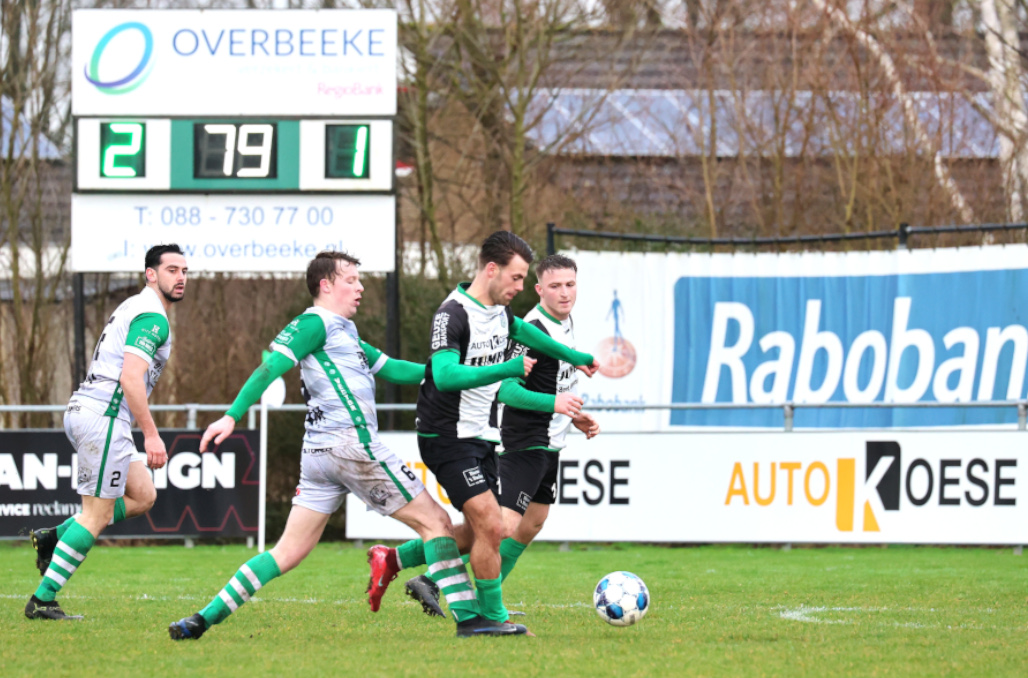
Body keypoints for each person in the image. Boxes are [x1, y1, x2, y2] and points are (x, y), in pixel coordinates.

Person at [168, 251, 520, 640]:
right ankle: (472, 620)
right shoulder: (314, 322)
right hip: (351, 446)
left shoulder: (343, 332)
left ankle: (202, 618)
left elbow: (394, 369)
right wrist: (232, 415)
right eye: (351, 279)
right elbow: (270, 366)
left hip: (319, 456)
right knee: (434, 523)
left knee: (286, 553)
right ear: (326, 285)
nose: (360, 287)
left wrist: (447, 370)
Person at [366, 232, 598, 632]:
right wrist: (508, 372)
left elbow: (529, 336)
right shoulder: (452, 313)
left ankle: (401, 564)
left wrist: (576, 359)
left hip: (482, 436)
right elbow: (445, 374)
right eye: (518, 278)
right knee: (494, 526)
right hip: (449, 435)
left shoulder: (501, 314)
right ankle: (485, 615)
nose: (520, 288)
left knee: (496, 527)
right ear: (492, 270)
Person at [25, 244, 187, 620]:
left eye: (184, 271)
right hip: (105, 416)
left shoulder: (132, 306)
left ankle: (52, 536)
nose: (180, 277)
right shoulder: (153, 317)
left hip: (91, 409)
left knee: (143, 494)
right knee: (95, 516)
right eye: (172, 270)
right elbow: (131, 378)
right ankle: (43, 600)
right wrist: (151, 433)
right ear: (151, 274)